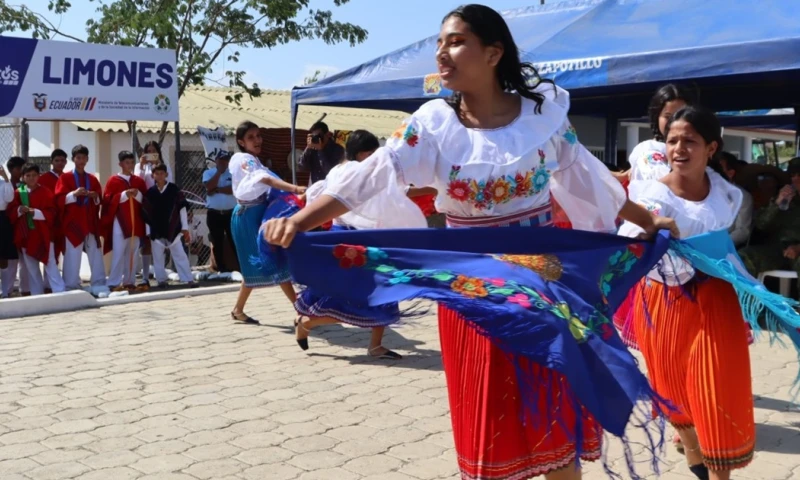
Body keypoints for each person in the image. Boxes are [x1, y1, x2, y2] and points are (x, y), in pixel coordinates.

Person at [264, 5, 677, 479]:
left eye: (456, 42)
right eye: (439, 43)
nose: (442, 53)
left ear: (494, 53)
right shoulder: (432, 124)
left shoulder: (541, 117)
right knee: (488, 414)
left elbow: (590, 181)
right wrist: (300, 221)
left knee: (551, 407)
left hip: (540, 279)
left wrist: (649, 221)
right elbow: (372, 175)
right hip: (468, 283)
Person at [619, 107, 752, 480]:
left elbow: (727, 239)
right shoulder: (654, 196)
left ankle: (718, 471)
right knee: (673, 388)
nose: (678, 148)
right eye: (672, 140)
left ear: (711, 147)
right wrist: (646, 234)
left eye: (689, 141)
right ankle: (693, 452)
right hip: (665, 301)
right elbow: (628, 240)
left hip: (718, 298)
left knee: (717, 390)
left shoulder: (725, 192)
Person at [294, 129, 428, 359]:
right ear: (364, 154)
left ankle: (374, 345)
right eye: (374, 154)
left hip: (347, 239)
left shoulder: (337, 170)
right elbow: (397, 191)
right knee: (358, 298)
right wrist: (433, 188)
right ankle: (307, 323)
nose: (378, 159)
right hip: (355, 242)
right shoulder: (361, 171)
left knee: (380, 293)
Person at [229, 121, 306, 324]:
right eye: (251, 137)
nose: (257, 140)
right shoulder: (244, 160)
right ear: (241, 142)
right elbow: (266, 180)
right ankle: (302, 310)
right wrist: (294, 189)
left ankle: (238, 309)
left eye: (258, 135)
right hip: (247, 217)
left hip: (259, 214)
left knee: (263, 261)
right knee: (271, 260)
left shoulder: (254, 161)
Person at [738, 157, 800, 283]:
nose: (796, 179)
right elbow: (761, 225)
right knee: (744, 257)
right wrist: (776, 204)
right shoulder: (785, 199)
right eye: (793, 175)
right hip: (779, 250)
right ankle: (741, 296)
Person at [7, 164, 65, 296]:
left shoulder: (46, 192)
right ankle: (37, 294)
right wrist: (19, 210)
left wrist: (36, 213)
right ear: (22, 177)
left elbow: (53, 212)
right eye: (28, 175)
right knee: (31, 268)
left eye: (34, 175)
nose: (31, 178)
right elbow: (11, 212)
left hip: (44, 234)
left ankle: (60, 291)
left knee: (50, 263)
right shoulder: (18, 193)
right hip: (26, 235)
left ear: (39, 176)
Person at [55, 145, 106, 291]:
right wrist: (74, 194)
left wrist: (95, 196)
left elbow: (99, 198)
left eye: (84, 158)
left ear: (87, 159)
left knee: (95, 252)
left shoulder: (92, 179)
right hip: (73, 222)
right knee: (72, 254)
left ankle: (99, 283)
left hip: (90, 221)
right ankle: (70, 285)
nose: (81, 160)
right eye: (78, 158)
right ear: (73, 159)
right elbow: (58, 199)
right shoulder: (65, 178)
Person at [143, 164, 196, 288]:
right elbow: (146, 214)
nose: (160, 176)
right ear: (153, 176)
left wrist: (184, 227)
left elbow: (182, 208)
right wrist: (148, 231)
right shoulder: (150, 193)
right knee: (157, 256)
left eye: (162, 173)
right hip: (156, 229)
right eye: (157, 174)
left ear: (166, 174)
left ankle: (188, 279)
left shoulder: (174, 190)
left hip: (174, 229)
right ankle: (161, 280)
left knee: (179, 254)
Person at [102, 151, 148, 291]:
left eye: (132, 162)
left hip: (136, 222)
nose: (130, 165)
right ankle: (114, 282)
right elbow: (107, 201)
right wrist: (123, 195)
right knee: (119, 252)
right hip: (120, 222)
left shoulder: (138, 181)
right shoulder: (113, 181)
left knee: (133, 253)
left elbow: (146, 201)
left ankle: (129, 281)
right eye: (127, 163)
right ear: (120, 164)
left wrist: (138, 195)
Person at [134, 141, 173, 290]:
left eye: (153, 151)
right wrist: (142, 166)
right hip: (147, 206)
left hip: (161, 208)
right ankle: (145, 277)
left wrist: (158, 167)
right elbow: (138, 182)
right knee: (147, 242)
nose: (151, 154)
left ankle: (159, 275)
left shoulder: (164, 167)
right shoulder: (140, 166)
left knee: (160, 242)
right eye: (148, 151)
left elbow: (170, 183)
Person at [202, 151, 238, 273]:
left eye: (225, 160)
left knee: (234, 240)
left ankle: (241, 267)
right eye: (221, 160)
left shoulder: (233, 173)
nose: (223, 162)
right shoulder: (208, 173)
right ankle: (221, 269)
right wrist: (218, 173)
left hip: (230, 213)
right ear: (216, 160)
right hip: (214, 214)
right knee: (217, 241)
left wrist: (217, 189)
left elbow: (233, 189)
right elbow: (208, 186)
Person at [1, 156, 29, 297]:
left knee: (23, 259)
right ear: (11, 169)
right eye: (19, 169)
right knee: (7, 258)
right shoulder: (3, 183)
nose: (21, 172)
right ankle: (6, 290)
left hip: (21, 224)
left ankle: (23, 289)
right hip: (5, 223)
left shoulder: (26, 185)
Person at [719, 152, 754, 247]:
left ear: (730, 173)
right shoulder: (699, 191)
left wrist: (719, 244)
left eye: (718, 170)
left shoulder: (742, 197)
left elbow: (742, 231)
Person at [0, 161, 17, 292]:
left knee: (3, 256)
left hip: (1, 219)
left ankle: (4, 291)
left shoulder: (4, 184)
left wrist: (6, 178)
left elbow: (10, 198)